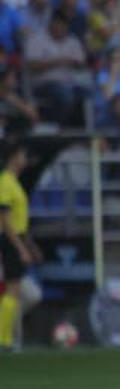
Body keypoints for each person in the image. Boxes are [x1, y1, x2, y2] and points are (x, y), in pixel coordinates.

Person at [0, 140, 41, 351]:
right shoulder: (5, 182)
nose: (25, 160)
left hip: (17, 238)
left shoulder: (13, 182)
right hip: (10, 240)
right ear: (14, 157)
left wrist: (29, 245)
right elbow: (5, 220)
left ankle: (6, 338)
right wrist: (20, 247)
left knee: (15, 291)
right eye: (23, 155)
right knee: (13, 289)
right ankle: (3, 339)